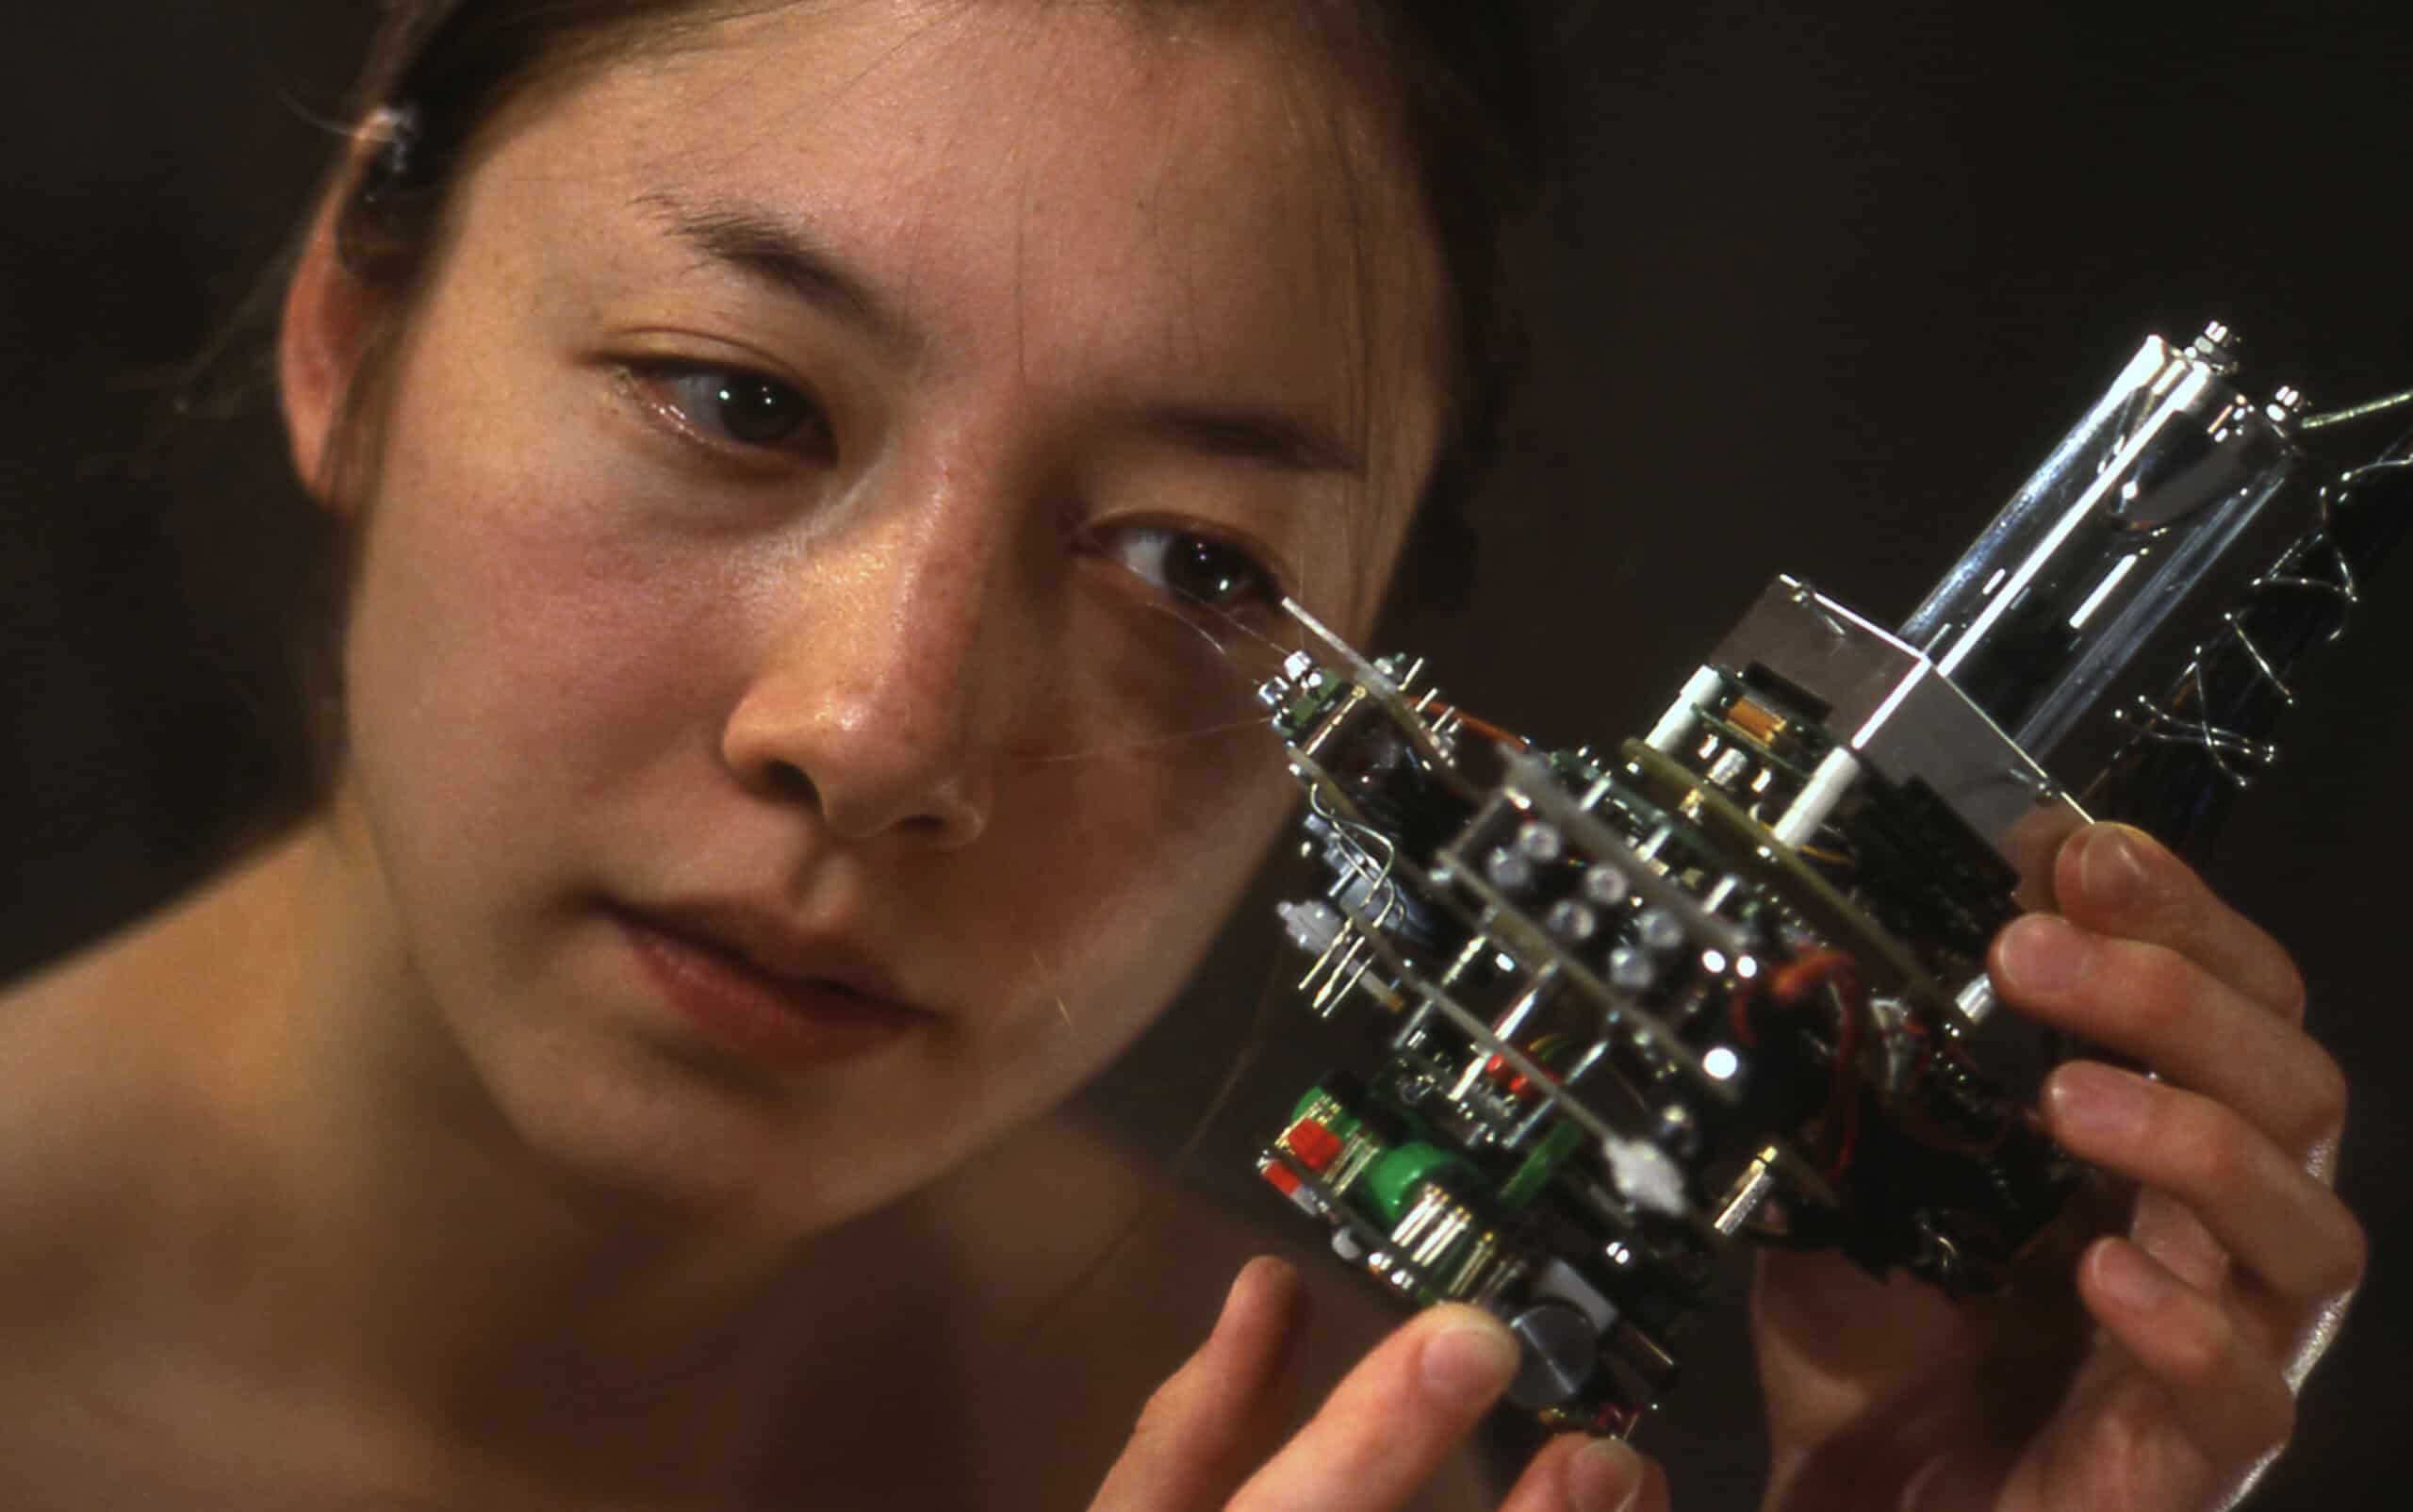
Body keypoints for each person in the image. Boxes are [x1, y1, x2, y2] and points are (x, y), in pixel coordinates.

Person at [0, 3, 2362, 1509]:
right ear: (353, 324)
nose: (882, 733)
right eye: (738, 400)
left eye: (1189, 561)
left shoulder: (1346, 1460)